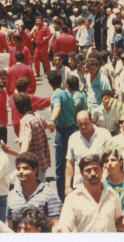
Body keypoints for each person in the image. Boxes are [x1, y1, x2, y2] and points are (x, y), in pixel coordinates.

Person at [56, 155, 124, 233]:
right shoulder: (73, 198)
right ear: (81, 173)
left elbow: (116, 221)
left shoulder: (112, 194)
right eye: (88, 170)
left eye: (96, 169)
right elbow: (65, 227)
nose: (93, 173)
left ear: (102, 170)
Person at [6, 153, 62, 230]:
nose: (20, 171)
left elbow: (55, 225)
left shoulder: (49, 194)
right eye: (18, 168)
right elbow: (8, 224)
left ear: (35, 170)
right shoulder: (11, 195)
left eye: (25, 168)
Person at [65, 111, 111, 196]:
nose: (83, 127)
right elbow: (70, 163)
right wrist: (67, 186)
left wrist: (105, 181)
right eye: (80, 124)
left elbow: (110, 159)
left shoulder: (104, 134)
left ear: (92, 121)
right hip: (79, 186)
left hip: (101, 185)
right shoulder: (73, 138)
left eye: (86, 123)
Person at [47, 71, 77, 201]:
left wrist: (51, 120)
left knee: (60, 167)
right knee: (73, 163)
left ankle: (62, 199)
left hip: (63, 131)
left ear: (49, 82)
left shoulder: (56, 94)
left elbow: (57, 107)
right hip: (72, 128)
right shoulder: (67, 93)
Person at [14, 94, 55, 182]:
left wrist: (20, 162)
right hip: (42, 162)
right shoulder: (36, 116)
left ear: (17, 108)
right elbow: (48, 124)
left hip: (32, 167)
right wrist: (52, 126)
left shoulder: (25, 121)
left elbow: (25, 142)